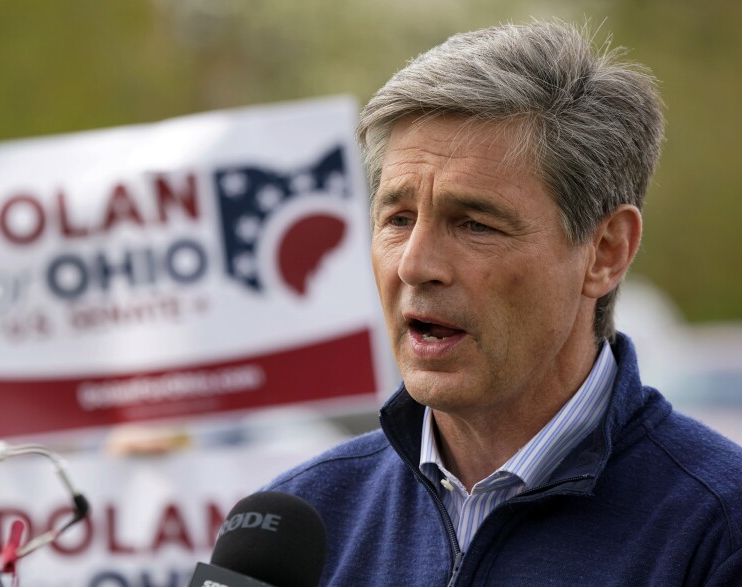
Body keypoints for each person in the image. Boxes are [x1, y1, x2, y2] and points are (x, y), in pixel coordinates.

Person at [264, 20, 742, 585]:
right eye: (397, 219)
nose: (415, 265)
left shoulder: (717, 529)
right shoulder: (297, 520)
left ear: (605, 252)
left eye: (474, 224)